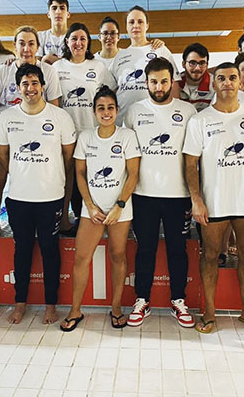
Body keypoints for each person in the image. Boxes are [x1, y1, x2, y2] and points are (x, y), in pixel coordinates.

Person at [183, 62, 244, 334]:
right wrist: (196, 199)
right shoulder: (200, 120)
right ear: (214, 84)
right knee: (210, 255)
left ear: (240, 83)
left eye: (232, 78)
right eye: (221, 78)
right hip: (214, 203)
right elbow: (191, 163)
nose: (227, 83)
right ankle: (209, 313)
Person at [0, 63, 76, 325]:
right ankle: (20, 303)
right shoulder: (7, 117)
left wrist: (51, 176)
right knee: (23, 251)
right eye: (25, 84)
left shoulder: (60, 117)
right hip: (19, 197)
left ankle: (50, 305)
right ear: (18, 88)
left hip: (50, 196)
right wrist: (20, 173)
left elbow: (67, 156)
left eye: (35, 83)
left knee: (51, 250)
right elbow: (2, 154)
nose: (31, 88)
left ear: (43, 86)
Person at [124, 56, 197, 328]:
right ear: (146, 82)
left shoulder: (188, 112)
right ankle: (142, 299)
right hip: (144, 195)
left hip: (178, 196)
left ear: (172, 81)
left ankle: (179, 299)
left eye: (164, 80)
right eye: (153, 81)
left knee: (178, 250)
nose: (159, 86)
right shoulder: (134, 111)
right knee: (146, 249)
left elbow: (194, 156)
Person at [60, 87, 140, 331]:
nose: (106, 112)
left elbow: (133, 173)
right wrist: (90, 205)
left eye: (110, 108)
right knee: (81, 259)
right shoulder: (86, 137)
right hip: (91, 209)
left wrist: (119, 206)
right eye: (101, 108)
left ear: (117, 110)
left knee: (118, 257)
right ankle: (75, 310)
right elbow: (80, 174)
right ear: (94, 112)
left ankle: (116, 308)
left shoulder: (127, 136)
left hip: (120, 209)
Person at [0, 26, 62, 235]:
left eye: (31, 44)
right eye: (22, 43)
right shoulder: (3, 71)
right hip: (5, 134)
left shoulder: (48, 71)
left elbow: (55, 107)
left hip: (37, 135)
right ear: (14, 46)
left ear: (38, 47)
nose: (26, 48)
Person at [53, 22, 117, 235]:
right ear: (67, 42)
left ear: (88, 42)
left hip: (91, 132)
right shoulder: (58, 67)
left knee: (90, 177)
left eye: (82, 39)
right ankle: (64, 221)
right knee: (67, 178)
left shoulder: (97, 66)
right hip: (66, 134)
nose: (78, 43)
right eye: (74, 39)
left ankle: (91, 218)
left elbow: (110, 94)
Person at [110, 6, 179, 124]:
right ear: (126, 27)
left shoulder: (160, 50)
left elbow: (175, 83)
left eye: (140, 22)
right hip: (124, 120)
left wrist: (174, 112)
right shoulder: (119, 56)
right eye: (131, 22)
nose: (135, 25)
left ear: (147, 26)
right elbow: (112, 88)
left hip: (155, 119)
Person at [179, 43, 215, 111]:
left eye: (202, 63)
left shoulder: (216, 85)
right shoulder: (175, 84)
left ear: (207, 65)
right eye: (192, 63)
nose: (197, 68)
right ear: (183, 64)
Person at [37, 0, 70, 64]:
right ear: (48, 14)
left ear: (68, 14)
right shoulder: (40, 36)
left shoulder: (73, 37)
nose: (58, 12)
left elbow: (75, 62)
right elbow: (37, 62)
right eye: (54, 8)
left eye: (62, 8)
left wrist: (48, 58)